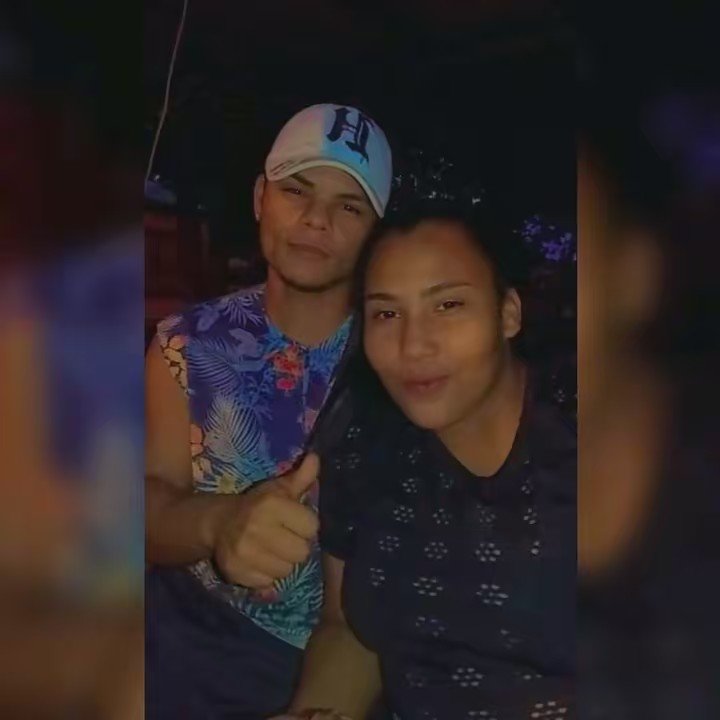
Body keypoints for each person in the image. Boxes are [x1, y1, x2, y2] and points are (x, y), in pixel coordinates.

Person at [144, 103, 393, 718]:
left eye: (349, 206)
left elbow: (365, 615)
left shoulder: (399, 366)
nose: (316, 219)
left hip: (334, 668)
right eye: (296, 190)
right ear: (261, 198)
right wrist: (218, 524)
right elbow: (147, 500)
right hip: (181, 643)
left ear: (376, 235)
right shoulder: (186, 343)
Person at [281, 203, 576, 719]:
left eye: (448, 305)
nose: (413, 345)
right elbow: (349, 629)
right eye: (387, 313)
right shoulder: (365, 441)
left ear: (508, 313)